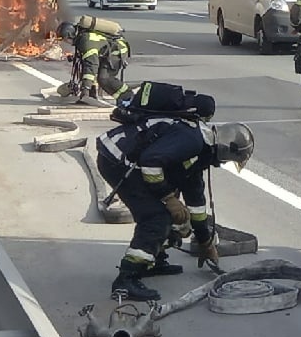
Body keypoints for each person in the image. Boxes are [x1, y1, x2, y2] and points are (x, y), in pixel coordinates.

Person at [96, 116, 255, 300]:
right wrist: (169, 199)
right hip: (116, 161)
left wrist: (206, 242)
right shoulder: (193, 141)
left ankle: (154, 261)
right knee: (157, 218)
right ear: (227, 150)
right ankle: (126, 280)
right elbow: (150, 163)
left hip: (126, 161)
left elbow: (196, 204)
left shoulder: (200, 155)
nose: (224, 163)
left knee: (176, 218)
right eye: (229, 160)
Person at [64, 13, 129, 103]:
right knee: (89, 69)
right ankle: (92, 95)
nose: (65, 42)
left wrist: (85, 90)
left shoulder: (86, 41)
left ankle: (127, 95)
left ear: (69, 35)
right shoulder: (81, 37)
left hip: (117, 51)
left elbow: (91, 65)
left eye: (65, 39)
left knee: (104, 78)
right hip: (106, 52)